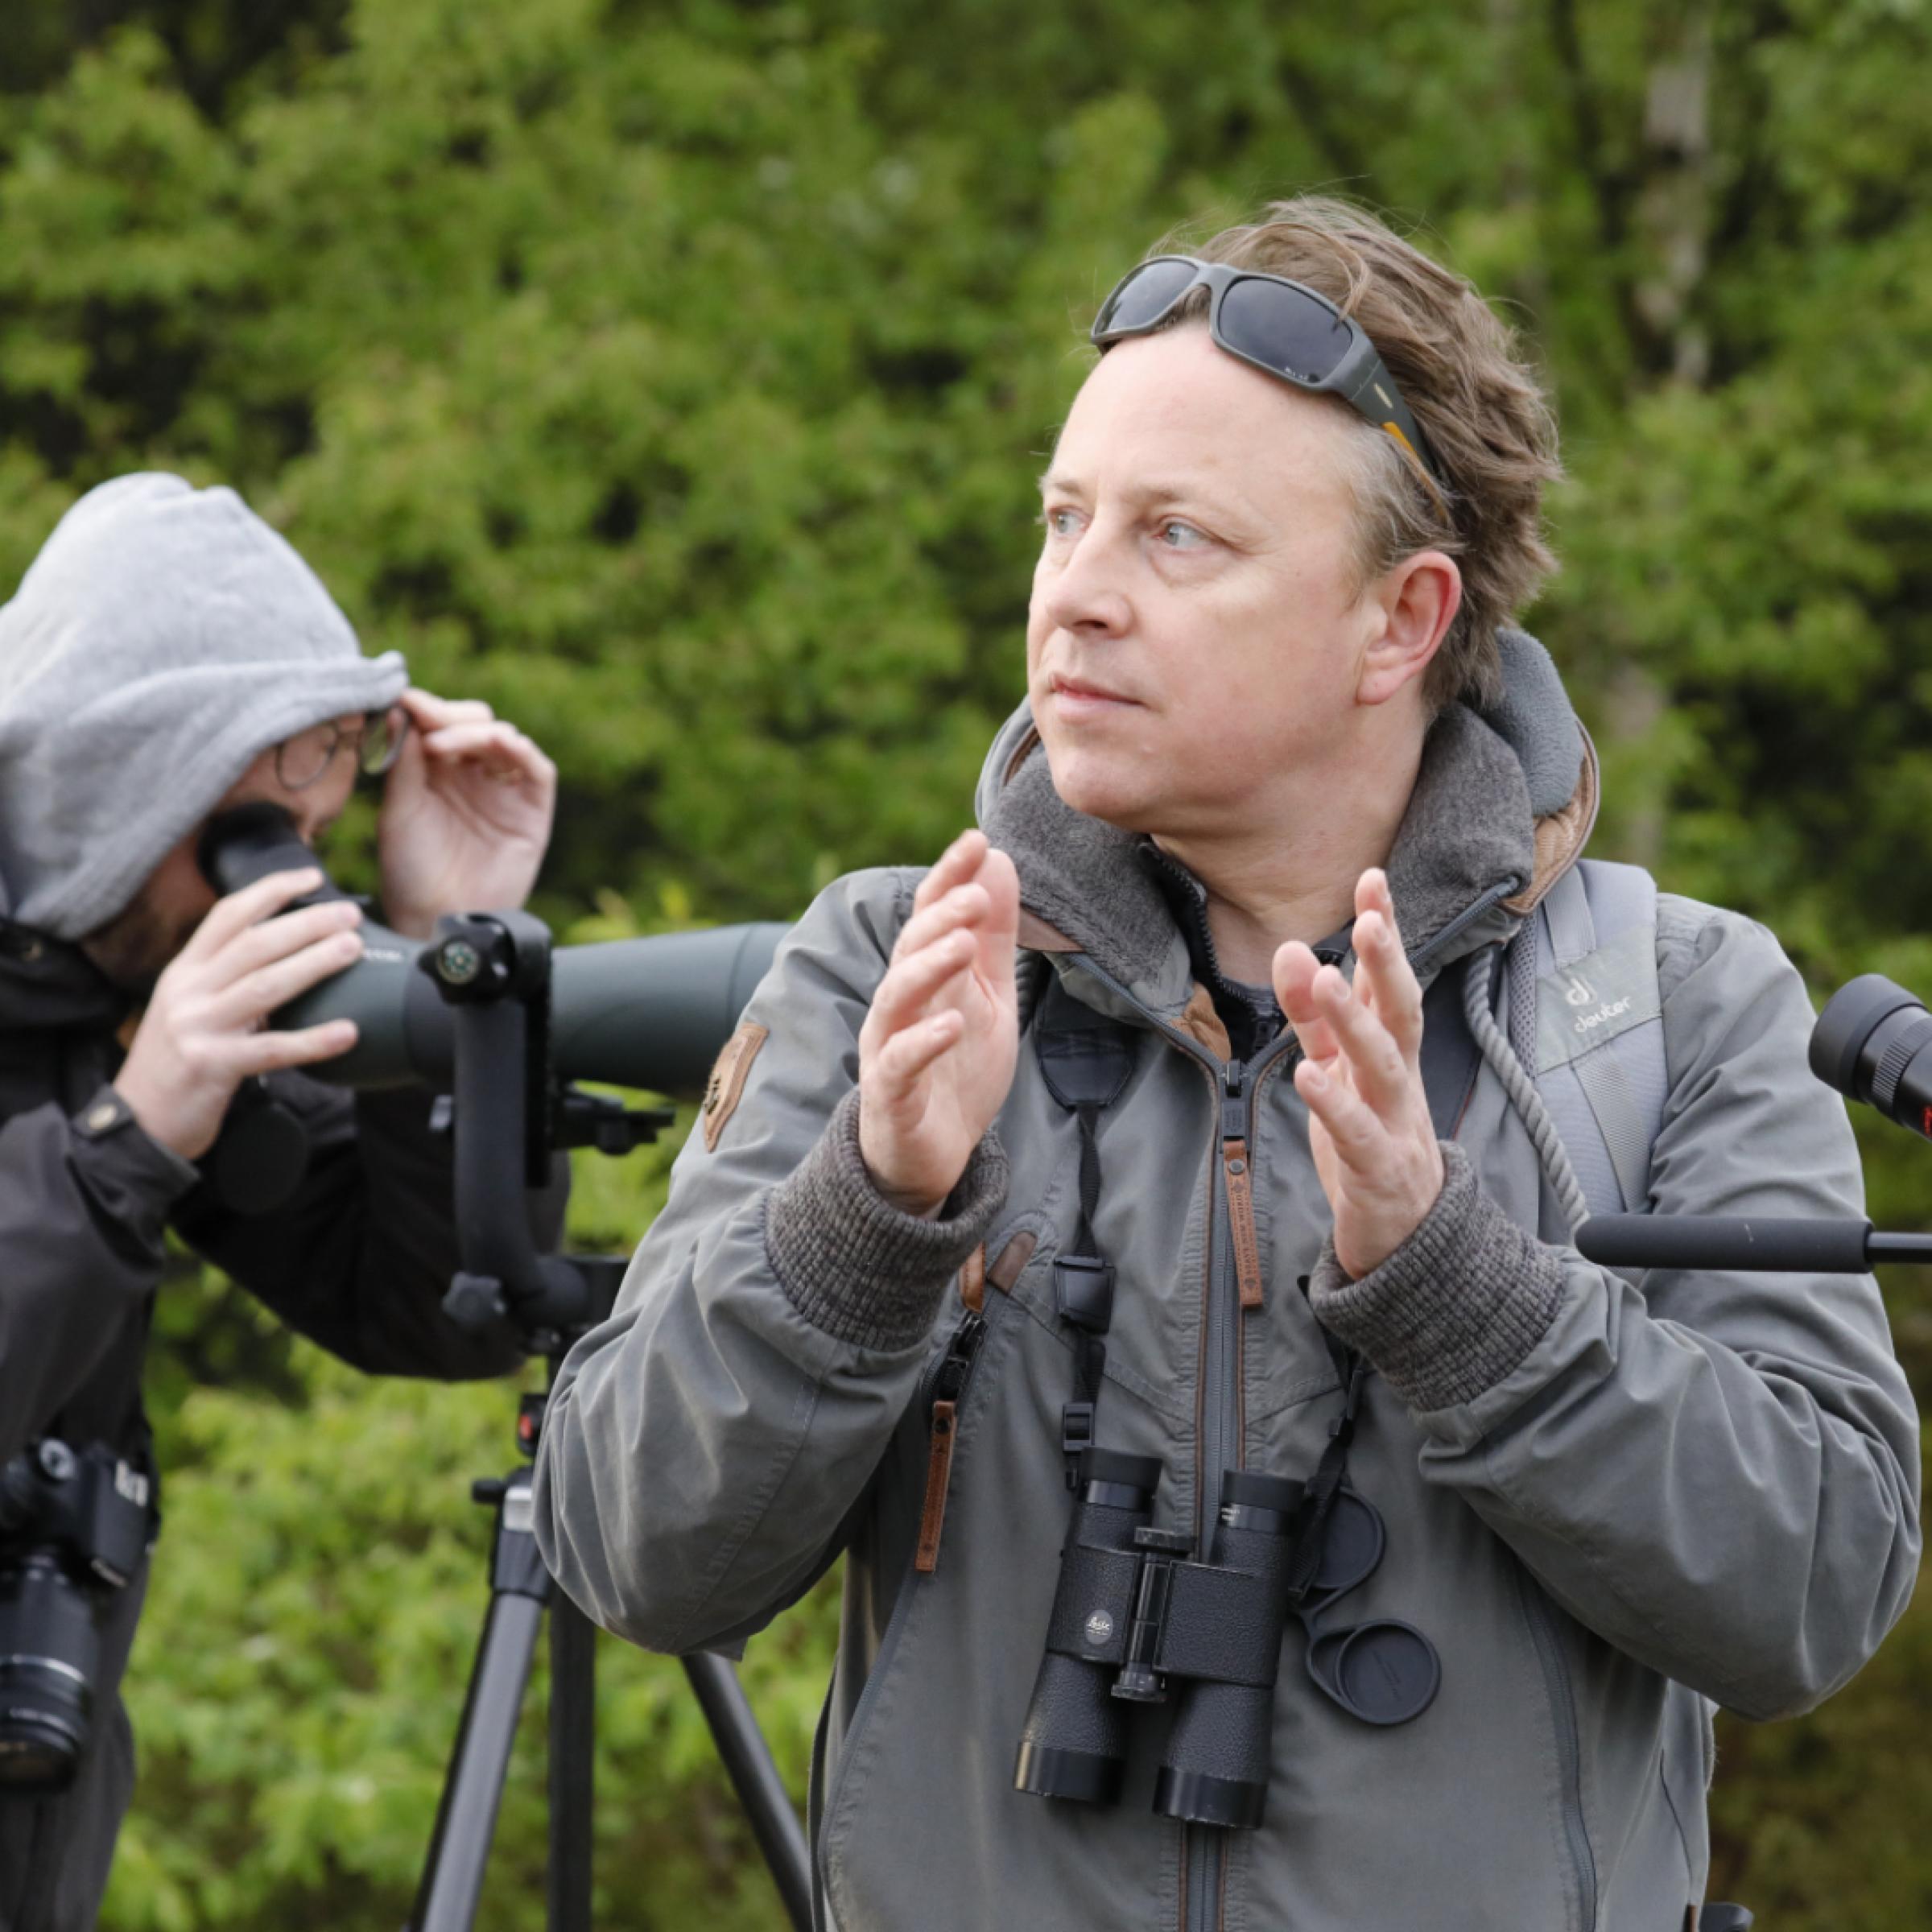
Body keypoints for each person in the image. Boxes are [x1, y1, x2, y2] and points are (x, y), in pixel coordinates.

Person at [533, 202, 1922, 1931]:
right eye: (1064, 520)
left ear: (1400, 622)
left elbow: (1814, 1589)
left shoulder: (1671, 1003)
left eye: (1178, 538)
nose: (1077, 595)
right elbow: (635, 1562)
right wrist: (869, 1219)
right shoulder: (908, 969)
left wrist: (1451, 1283)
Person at [0, 473, 559, 1930]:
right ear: (130, 788)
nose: (287, 880)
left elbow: (432, 1308)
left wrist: (446, 954)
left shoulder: (120, 987)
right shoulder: (119, 1042)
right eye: (256, 834)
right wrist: (127, 1144)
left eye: (312, 835)